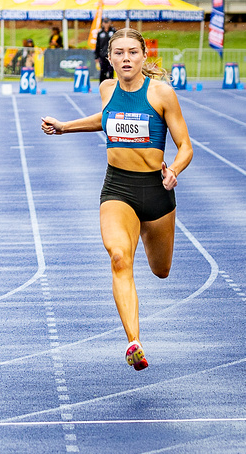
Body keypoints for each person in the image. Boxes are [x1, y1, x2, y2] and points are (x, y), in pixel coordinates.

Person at [40, 28, 192, 372]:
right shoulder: (106, 88)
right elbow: (106, 120)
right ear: (109, 59)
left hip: (156, 190)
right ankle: (134, 342)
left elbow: (185, 146)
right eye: (119, 53)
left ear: (143, 57)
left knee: (161, 270)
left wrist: (174, 171)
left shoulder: (162, 94)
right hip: (118, 188)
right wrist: (66, 126)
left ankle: (148, 237)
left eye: (132, 52)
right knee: (120, 257)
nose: (126, 58)